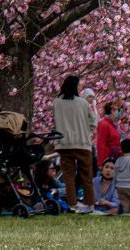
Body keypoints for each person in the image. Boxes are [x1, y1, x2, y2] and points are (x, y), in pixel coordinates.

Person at [53, 74, 97, 213]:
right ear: (74, 86)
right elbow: (93, 121)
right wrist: (86, 129)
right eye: (79, 86)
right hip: (82, 143)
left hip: (64, 143)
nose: (80, 89)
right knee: (86, 175)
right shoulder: (82, 103)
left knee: (68, 176)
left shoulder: (57, 102)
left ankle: (72, 204)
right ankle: (90, 204)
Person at [114, 139, 130, 214]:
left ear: (121, 149)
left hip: (119, 186)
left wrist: (115, 184)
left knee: (124, 202)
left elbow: (115, 174)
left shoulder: (118, 160)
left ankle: (125, 213)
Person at [95, 102, 123, 168]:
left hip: (114, 159)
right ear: (112, 111)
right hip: (107, 159)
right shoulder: (103, 124)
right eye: (117, 110)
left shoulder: (113, 125)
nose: (119, 113)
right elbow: (101, 144)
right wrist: (101, 163)